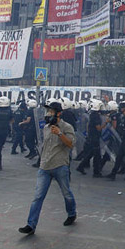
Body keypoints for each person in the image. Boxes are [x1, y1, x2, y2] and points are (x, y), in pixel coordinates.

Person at [18, 99, 77, 235]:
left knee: (66, 193)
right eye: (48, 111)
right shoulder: (45, 128)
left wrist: (60, 134)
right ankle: (31, 225)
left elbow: (70, 144)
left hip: (60, 165)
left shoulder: (67, 127)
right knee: (38, 196)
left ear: (58, 113)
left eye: (51, 111)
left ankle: (72, 213)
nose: (48, 113)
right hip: (44, 167)